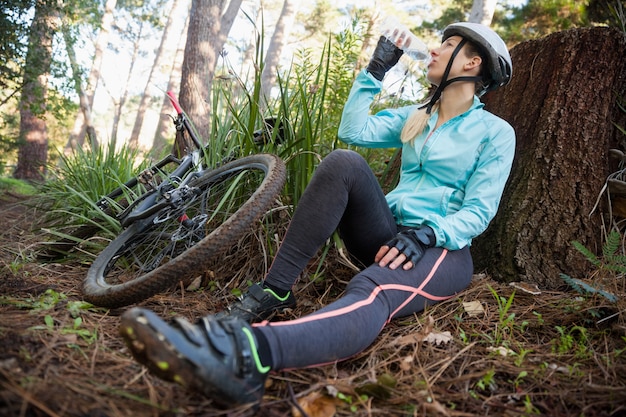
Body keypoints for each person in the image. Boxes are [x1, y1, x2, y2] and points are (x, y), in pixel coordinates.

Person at [119, 22, 516, 408]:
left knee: (373, 289)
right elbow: (353, 131)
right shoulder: (419, 116)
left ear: (472, 64)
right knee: (344, 163)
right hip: (390, 235)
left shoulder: (493, 132)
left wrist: (428, 234)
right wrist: (375, 70)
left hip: (440, 250)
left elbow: (479, 211)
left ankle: (248, 356)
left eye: (447, 46)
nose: (434, 49)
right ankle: (274, 290)